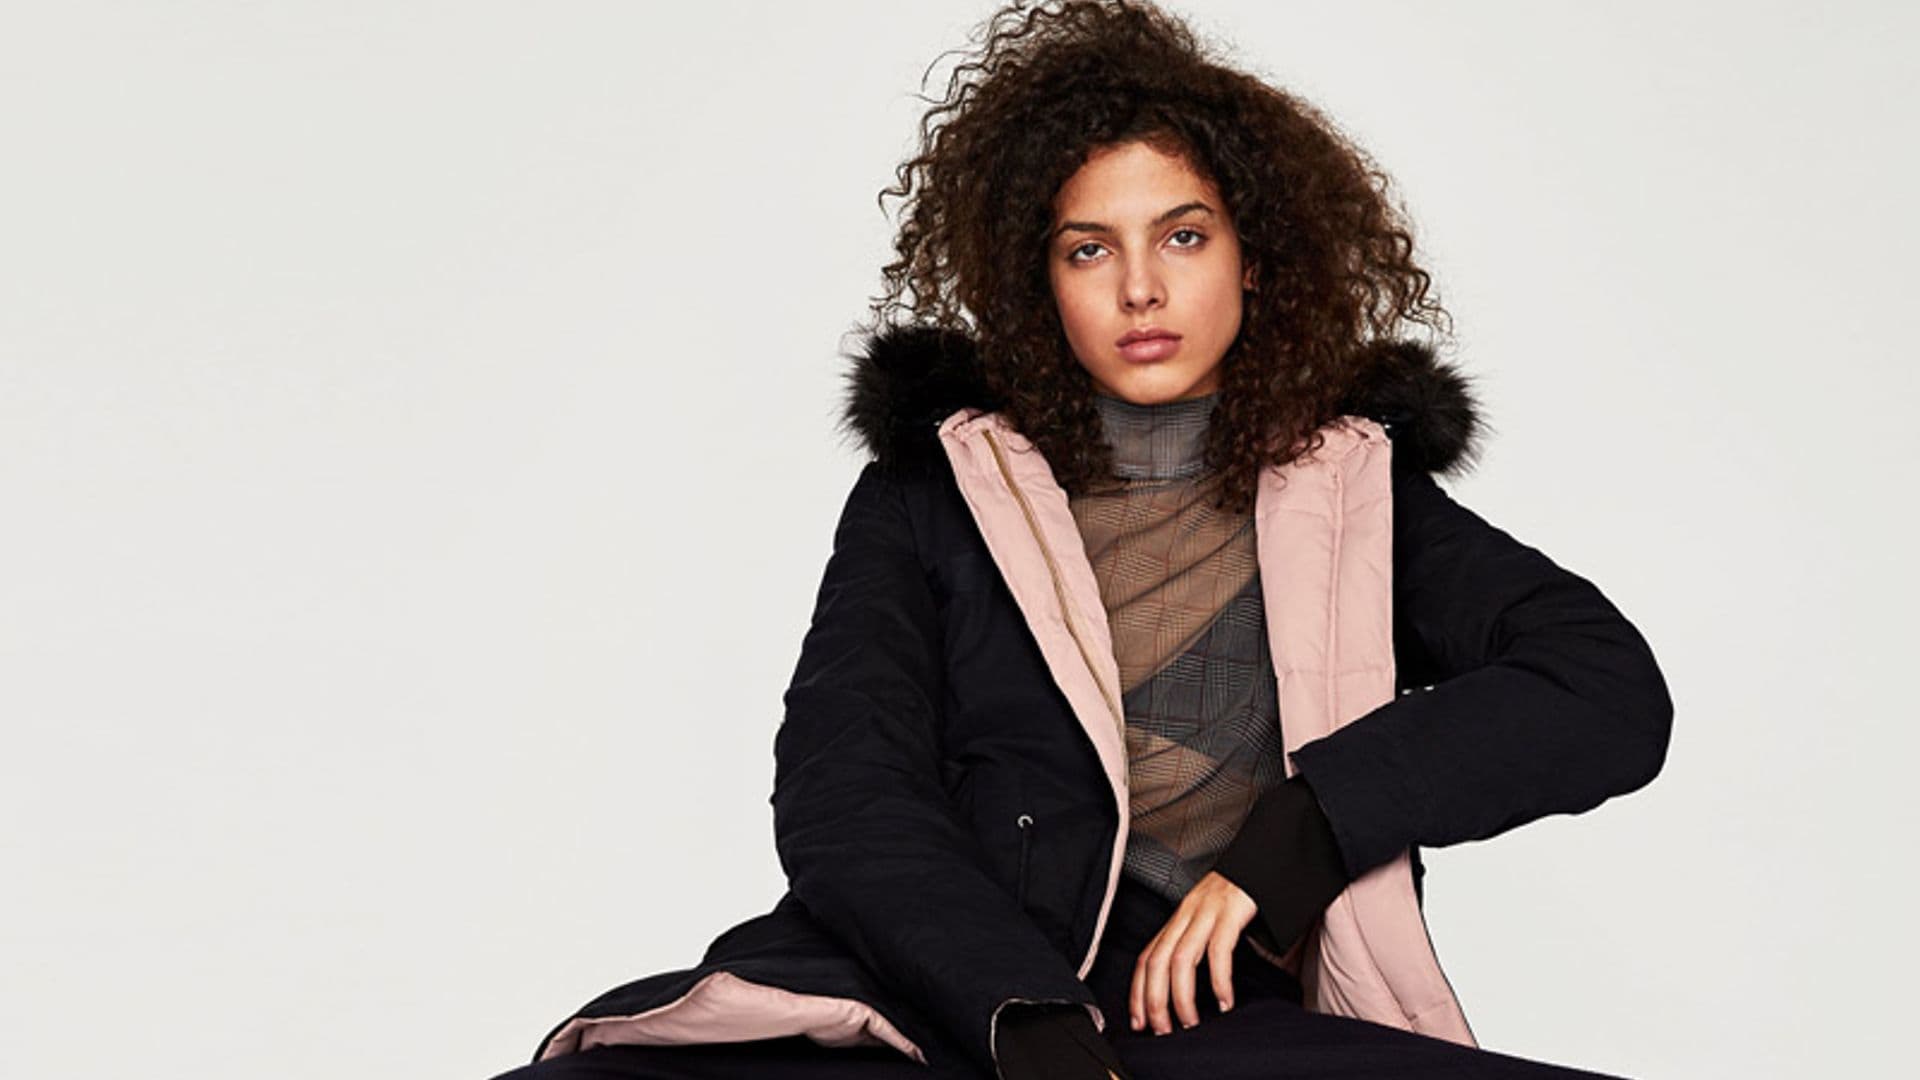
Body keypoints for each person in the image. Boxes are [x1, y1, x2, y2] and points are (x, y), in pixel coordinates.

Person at [487, 2, 1673, 1078]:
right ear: (1040, 283)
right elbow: (848, 791)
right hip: (940, 1000)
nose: (1139, 288)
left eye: (1184, 237)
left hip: (1207, 1013)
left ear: (1256, 261)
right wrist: (1024, 1018)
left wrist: (1307, 827)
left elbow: (1604, 687)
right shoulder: (936, 492)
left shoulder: (1357, 497)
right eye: (1089, 248)